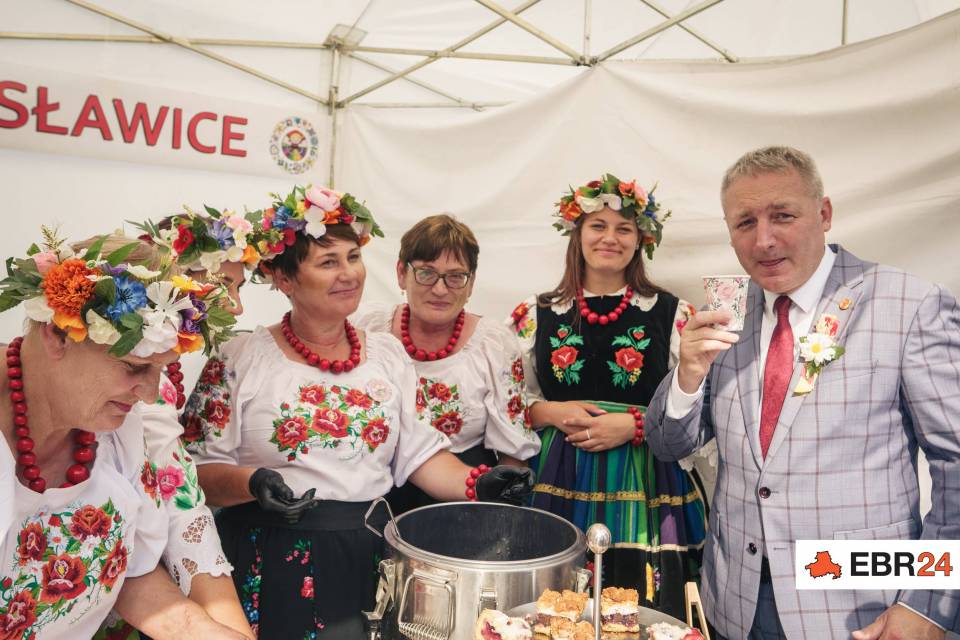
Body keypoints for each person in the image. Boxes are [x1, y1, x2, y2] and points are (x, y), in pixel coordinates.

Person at [181, 185, 533, 639]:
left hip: (367, 552)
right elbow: (193, 472)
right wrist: (251, 482)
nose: (348, 273)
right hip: (268, 556)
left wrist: (477, 483)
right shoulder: (239, 357)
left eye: (353, 257)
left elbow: (420, 455)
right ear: (285, 279)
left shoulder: (386, 354)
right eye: (328, 262)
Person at [645, 146, 960, 639]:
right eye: (745, 223)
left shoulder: (909, 304)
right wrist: (687, 378)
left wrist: (927, 607)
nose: (764, 240)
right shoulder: (726, 313)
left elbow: (955, 465)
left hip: (860, 607)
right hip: (734, 603)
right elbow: (668, 445)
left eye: (783, 216)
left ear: (824, 213)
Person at [0, 230, 247, 639]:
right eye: (134, 367)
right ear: (58, 334)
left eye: (160, 370)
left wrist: (199, 629)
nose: (149, 394)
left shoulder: (117, 432)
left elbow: (133, 574)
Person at [510, 175, 708, 620]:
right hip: (560, 472)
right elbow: (506, 404)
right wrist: (550, 411)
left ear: (641, 240)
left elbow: (699, 403)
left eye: (624, 228)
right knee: (556, 600)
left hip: (645, 475)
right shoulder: (536, 313)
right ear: (577, 234)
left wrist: (636, 425)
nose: (610, 238)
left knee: (640, 604)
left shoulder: (671, 313)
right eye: (598, 226)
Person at [95, 207, 261, 639]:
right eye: (224, 286)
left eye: (239, 288)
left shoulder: (158, 382)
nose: (237, 306)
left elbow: (180, 502)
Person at [352, 214, 540, 514]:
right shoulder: (367, 327)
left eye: (455, 277)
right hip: (374, 493)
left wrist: (502, 514)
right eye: (426, 273)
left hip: (462, 497)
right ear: (401, 273)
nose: (440, 289)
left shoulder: (494, 345)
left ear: (471, 283)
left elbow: (512, 453)